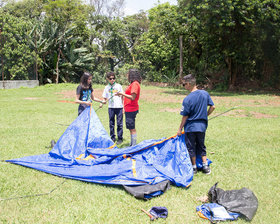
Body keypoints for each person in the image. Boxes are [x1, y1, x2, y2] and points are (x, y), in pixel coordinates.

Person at [177, 74, 215, 175]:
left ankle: (194, 167)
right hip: (202, 126)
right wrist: (205, 115)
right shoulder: (205, 94)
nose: (184, 86)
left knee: (191, 147)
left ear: (189, 84)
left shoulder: (187, 99)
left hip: (190, 127)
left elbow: (185, 116)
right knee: (201, 146)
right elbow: (213, 107)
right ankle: (205, 166)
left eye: (184, 84)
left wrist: (180, 129)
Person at [116, 69, 141, 146]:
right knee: (130, 127)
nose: (127, 76)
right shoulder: (132, 84)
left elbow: (132, 97)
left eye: (128, 74)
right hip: (129, 108)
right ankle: (131, 144)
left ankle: (133, 145)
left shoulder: (135, 84)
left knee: (132, 128)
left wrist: (122, 94)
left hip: (131, 109)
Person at [102, 72, 124, 144]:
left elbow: (122, 96)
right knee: (111, 123)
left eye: (113, 78)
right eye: (110, 79)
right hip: (111, 107)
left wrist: (123, 107)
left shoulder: (119, 86)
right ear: (107, 79)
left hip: (119, 107)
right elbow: (104, 98)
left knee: (119, 123)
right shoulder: (106, 87)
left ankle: (120, 138)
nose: (112, 80)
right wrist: (102, 102)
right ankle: (112, 138)